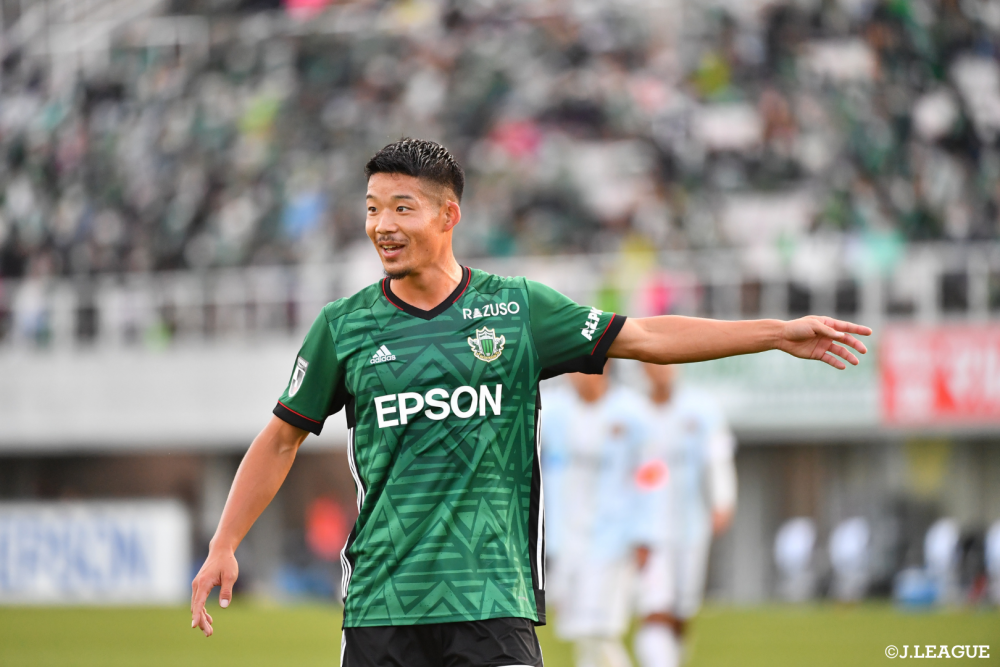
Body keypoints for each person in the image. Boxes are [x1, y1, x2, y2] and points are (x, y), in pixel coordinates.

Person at [189, 138, 871, 666]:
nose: (382, 225)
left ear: (449, 215)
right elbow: (280, 438)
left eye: (402, 207)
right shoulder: (345, 327)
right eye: (372, 209)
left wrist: (775, 333)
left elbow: (647, 337)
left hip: (493, 595)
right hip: (383, 604)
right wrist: (224, 542)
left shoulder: (517, 309)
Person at [542, 366, 648, 667]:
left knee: (600, 630)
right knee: (582, 632)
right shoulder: (552, 410)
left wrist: (644, 532)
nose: (575, 376)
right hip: (565, 539)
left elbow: (650, 476)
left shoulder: (633, 412)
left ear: (603, 367)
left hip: (614, 539)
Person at [633, 364, 737, 667]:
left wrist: (722, 500)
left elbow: (718, 458)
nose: (661, 368)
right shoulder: (632, 412)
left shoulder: (702, 408)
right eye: (653, 361)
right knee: (655, 606)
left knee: (681, 610)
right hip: (645, 528)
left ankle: (670, 656)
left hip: (691, 524)